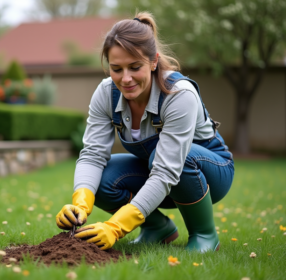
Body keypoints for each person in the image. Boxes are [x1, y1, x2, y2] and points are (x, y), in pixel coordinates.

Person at [55, 11, 234, 252]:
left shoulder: (179, 95)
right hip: (156, 172)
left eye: (135, 67)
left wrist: (116, 226)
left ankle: (204, 234)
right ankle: (157, 228)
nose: (125, 78)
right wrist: (81, 202)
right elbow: (92, 155)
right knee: (102, 179)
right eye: (116, 69)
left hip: (209, 173)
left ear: (153, 61)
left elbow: (166, 170)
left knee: (175, 158)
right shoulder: (106, 93)